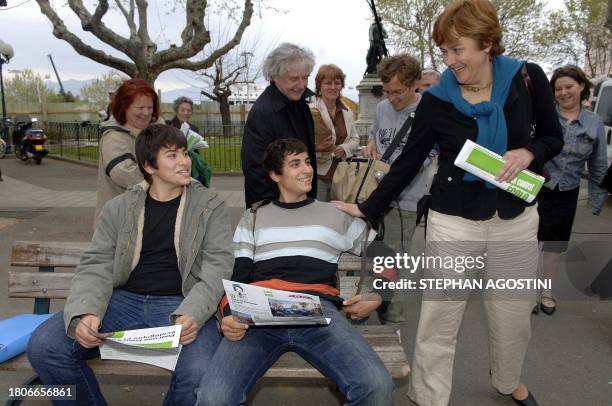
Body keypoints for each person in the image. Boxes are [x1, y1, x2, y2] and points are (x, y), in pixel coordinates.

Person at [334, 1, 563, 405]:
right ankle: (429, 397)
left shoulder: (527, 78)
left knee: (512, 318)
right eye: (443, 51)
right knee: (439, 319)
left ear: (487, 43)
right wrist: (367, 207)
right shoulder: (438, 99)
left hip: (516, 218)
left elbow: (551, 136)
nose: (449, 60)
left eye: (457, 50)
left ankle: (508, 381)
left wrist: (528, 153)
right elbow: (407, 161)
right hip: (453, 220)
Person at [28, 124, 234, 406]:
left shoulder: (211, 206)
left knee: (200, 371)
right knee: (45, 347)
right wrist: (85, 312)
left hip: (181, 303)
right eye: (172, 155)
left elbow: (218, 266)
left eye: (185, 153)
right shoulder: (119, 208)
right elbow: (96, 263)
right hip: (123, 301)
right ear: (149, 166)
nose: (185, 162)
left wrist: (193, 313)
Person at [195, 139, 394, 406]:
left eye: (308, 162)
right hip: (259, 313)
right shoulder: (253, 217)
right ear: (275, 175)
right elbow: (237, 276)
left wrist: (378, 295)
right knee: (213, 399)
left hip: (317, 311)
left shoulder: (334, 214)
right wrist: (229, 316)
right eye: (295, 164)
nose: (307, 170)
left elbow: (390, 257)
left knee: (375, 385)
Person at [361, 54, 438, 326]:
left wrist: (402, 171)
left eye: (398, 92)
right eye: (388, 92)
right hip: (376, 195)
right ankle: (381, 302)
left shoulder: (427, 111)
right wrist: (371, 144)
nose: (392, 98)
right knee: (377, 253)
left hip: (405, 199)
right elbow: (375, 134)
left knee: (395, 258)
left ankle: (392, 315)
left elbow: (429, 153)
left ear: (414, 84)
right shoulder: (382, 108)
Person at [536, 65, 608, 315]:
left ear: (581, 87)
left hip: (568, 191)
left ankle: (546, 292)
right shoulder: (544, 116)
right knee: (527, 241)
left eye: (569, 87)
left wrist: (597, 199)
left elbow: (598, 163)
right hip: (537, 186)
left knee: (554, 246)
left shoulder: (594, 122)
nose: (564, 92)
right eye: (558, 89)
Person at [241, 43, 318, 207]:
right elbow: (256, 170)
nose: (302, 85)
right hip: (277, 208)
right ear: (275, 76)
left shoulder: (300, 105)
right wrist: (274, 209)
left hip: (299, 201)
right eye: (294, 78)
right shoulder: (263, 113)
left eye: (305, 77)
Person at [95, 79, 163, 219]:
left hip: (150, 217)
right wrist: (165, 175)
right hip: (119, 223)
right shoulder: (113, 137)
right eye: (140, 108)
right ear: (124, 107)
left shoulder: (158, 130)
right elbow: (124, 174)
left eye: (150, 107)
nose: (146, 113)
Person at [310, 64, 360, 201]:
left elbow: (355, 139)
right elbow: (299, 142)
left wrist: (344, 148)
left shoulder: (347, 111)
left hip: (341, 174)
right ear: (319, 86)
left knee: (338, 215)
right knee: (319, 215)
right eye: (328, 83)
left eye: (337, 83)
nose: (333, 87)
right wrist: (316, 147)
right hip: (317, 173)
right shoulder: (310, 111)